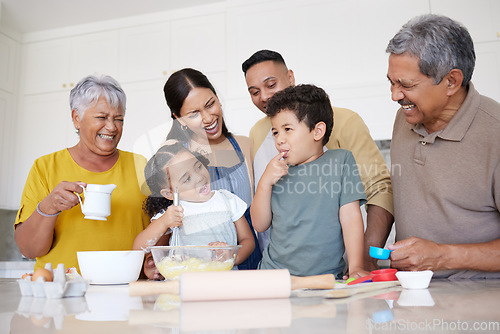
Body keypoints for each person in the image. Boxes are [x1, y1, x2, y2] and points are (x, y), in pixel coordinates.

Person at [242, 50, 394, 269]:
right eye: (254, 91)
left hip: (331, 269)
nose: (264, 96)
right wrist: (266, 181)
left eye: (271, 84)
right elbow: (261, 220)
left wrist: (361, 262)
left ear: (290, 78)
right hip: (276, 269)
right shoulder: (257, 134)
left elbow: (377, 191)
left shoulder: (343, 140)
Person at [386, 14, 500, 278]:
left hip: (480, 304)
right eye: (391, 82)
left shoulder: (494, 133)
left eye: (406, 85)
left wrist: (442, 256)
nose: (394, 95)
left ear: (451, 81)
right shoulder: (405, 117)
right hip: (414, 297)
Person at [14, 74, 150, 273]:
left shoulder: (141, 166)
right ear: (77, 118)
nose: (112, 127)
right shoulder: (45, 167)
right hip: (64, 292)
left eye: (118, 119)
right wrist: (49, 207)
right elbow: (28, 249)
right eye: (102, 117)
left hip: (127, 289)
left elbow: (161, 234)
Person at [250, 84, 369, 279]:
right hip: (275, 276)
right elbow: (260, 224)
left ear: (317, 131)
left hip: (326, 279)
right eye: (275, 132)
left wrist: (356, 266)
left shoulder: (341, 161)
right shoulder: (276, 172)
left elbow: (350, 217)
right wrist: (264, 183)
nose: (279, 139)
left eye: (287, 129)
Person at [160, 68, 262, 270]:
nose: (208, 118)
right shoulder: (174, 156)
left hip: (247, 259)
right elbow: (165, 227)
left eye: (210, 104)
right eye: (194, 114)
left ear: (217, 98)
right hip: (200, 267)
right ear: (178, 119)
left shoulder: (244, 145)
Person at [133, 141, 254, 271]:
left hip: (224, 282)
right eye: (187, 179)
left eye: (198, 167)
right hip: (186, 283)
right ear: (169, 193)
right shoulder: (174, 212)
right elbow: (138, 249)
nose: (199, 177)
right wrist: (163, 222)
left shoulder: (228, 200)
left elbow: (248, 240)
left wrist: (232, 258)